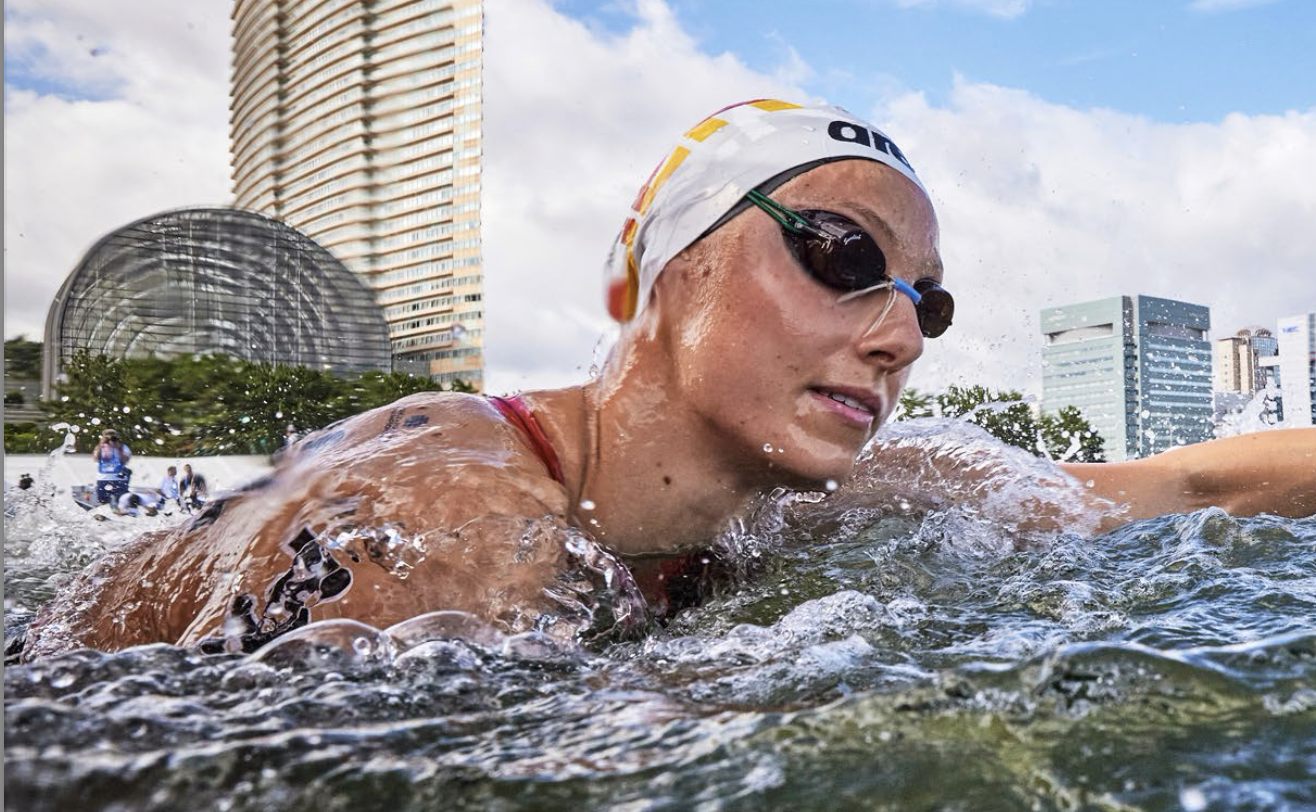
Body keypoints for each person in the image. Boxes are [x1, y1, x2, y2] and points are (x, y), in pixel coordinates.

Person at [21, 99, 1315, 661]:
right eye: (843, 256)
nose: (901, 333)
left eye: (928, 301)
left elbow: (1183, 480)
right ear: (660, 276)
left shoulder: (825, 497)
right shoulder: (444, 518)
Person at [92, 429, 132, 507]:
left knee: (121, 501)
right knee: (102, 502)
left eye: (112, 435)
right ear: (103, 436)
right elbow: (95, 459)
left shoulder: (122, 446)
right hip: (103, 478)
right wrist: (101, 444)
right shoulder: (100, 447)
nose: (110, 437)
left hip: (119, 479)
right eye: (107, 435)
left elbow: (126, 460)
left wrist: (118, 448)